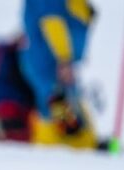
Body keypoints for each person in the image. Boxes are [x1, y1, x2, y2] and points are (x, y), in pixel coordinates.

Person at [18, 0, 99, 148]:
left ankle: (84, 144)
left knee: (67, 107)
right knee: (57, 109)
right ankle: (56, 148)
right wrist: (64, 59)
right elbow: (51, 21)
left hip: (56, 63)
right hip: (50, 63)